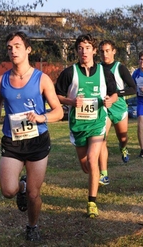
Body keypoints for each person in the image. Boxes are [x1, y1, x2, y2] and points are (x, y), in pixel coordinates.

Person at [0, 31, 63, 242]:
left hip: (37, 141)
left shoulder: (42, 79)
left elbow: (58, 111)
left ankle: (32, 226)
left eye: (18, 46)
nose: (13, 50)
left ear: (28, 49)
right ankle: (20, 185)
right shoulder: (2, 80)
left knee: (33, 193)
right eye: (10, 47)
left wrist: (42, 117)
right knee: (8, 190)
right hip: (12, 141)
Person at [55, 34, 117, 218]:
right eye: (81, 48)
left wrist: (109, 101)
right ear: (76, 51)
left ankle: (92, 202)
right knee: (86, 166)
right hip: (78, 125)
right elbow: (55, 96)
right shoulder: (68, 73)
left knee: (92, 159)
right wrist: (71, 101)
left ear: (94, 50)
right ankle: (95, 176)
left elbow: (114, 94)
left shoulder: (105, 72)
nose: (84, 51)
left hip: (98, 122)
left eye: (88, 47)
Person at [98, 40, 137, 184]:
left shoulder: (120, 67)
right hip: (104, 107)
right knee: (102, 139)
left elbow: (133, 88)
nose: (105, 54)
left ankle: (124, 148)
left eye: (108, 50)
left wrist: (117, 94)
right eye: (102, 51)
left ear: (114, 51)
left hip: (119, 106)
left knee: (122, 137)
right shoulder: (97, 68)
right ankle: (104, 174)